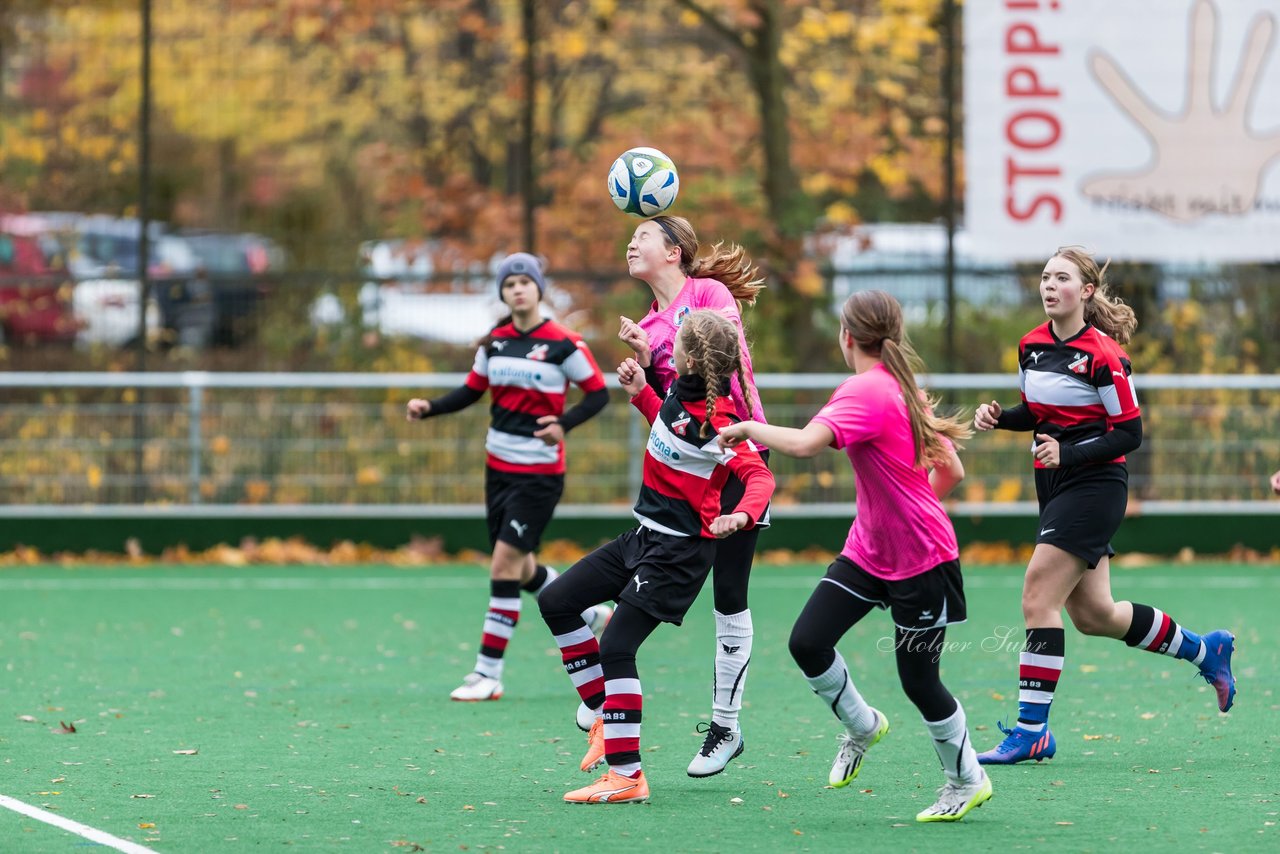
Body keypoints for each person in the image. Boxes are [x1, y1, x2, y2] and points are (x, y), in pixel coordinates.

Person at [719, 289, 993, 823]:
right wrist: (900, 511)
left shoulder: (866, 389)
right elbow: (953, 474)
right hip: (869, 552)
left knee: (919, 681)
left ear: (848, 337)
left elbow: (802, 444)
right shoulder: (898, 386)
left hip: (922, 561)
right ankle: (862, 724)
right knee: (808, 641)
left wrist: (748, 428)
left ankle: (968, 780)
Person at [973, 246, 1237, 766]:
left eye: (1061, 278)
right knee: (1095, 615)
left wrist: (1067, 451)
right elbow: (1038, 411)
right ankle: (1207, 651)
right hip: (1053, 484)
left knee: (1036, 597)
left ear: (1086, 291)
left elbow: (1129, 434)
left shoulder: (1104, 356)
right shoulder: (1029, 346)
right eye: (1045, 277)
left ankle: (1032, 731)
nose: (1049, 286)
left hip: (1095, 487)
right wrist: (1001, 416)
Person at [538, 309, 775, 804]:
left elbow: (760, 477)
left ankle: (627, 775)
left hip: (679, 554)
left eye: (676, 342)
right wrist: (641, 390)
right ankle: (607, 714)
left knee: (617, 648)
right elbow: (666, 425)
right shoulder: (680, 393)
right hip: (644, 537)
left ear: (688, 355)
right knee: (557, 600)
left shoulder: (721, 419)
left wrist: (743, 516)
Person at [406, 252, 612, 702]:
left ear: (539, 288)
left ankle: (487, 673)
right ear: (502, 293)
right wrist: (431, 407)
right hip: (497, 470)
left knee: (502, 565)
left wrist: (564, 426)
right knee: (519, 568)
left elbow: (598, 395)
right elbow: (471, 391)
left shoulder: (564, 344)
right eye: (509, 284)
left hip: (538, 476)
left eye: (524, 282)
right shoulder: (495, 342)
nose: (517, 289)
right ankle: (592, 613)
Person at [614, 214, 769, 777]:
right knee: (650, 569)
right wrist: (646, 372)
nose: (631, 242)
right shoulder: (652, 327)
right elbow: (672, 412)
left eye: (644, 237)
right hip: (688, 470)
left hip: (738, 451)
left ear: (675, 252)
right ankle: (603, 665)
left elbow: (717, 369)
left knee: (729, 592)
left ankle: (725, 727)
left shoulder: (710, 293)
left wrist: (659, 345)